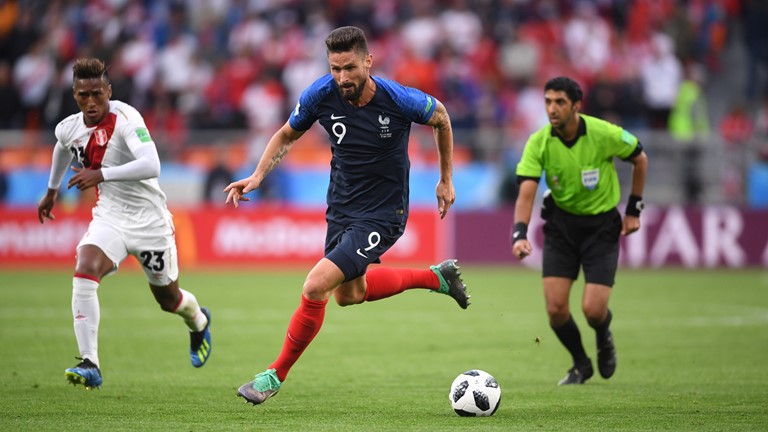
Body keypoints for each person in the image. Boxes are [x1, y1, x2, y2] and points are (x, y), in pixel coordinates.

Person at [225, 26, 470, 405]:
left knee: (315, 285)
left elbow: (441, 117)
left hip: (384, 212)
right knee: (348, 295)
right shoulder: (320, 95)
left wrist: (446, 179)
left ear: (368, 62)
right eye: (335, 69)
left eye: (350, 68)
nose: (342, 77)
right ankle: (436, 277)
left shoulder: (397, 98)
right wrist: (257, 176)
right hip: (341, 206)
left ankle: (274, 374)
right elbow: (286, 135)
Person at [36, 58, 212, 390]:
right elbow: (62, 147)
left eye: (97, 94)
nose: (91, 102)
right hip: (110, 216)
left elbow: (152, 164)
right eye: (83, 95)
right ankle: (90, 362)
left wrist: (101, 174)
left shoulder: (127, 118)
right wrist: (51, 191)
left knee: (169, 300)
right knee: (85, 267)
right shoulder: (68, 127)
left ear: (109, 91)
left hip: (150, 223)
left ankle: (199, 321)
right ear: (74, 94)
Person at [511, 76, 647, 385]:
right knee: (556, 310)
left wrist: (633, 210)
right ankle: (581, 364)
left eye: (560, 102)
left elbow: (640, 159)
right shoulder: (538, 142)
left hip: (601, 227)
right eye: (548, 101)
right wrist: (519, 234)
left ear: (576, 106)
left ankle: (603, 333)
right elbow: (526, 193)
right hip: (561, 227)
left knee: (593, 311)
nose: (552, 108)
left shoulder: (604, 133)